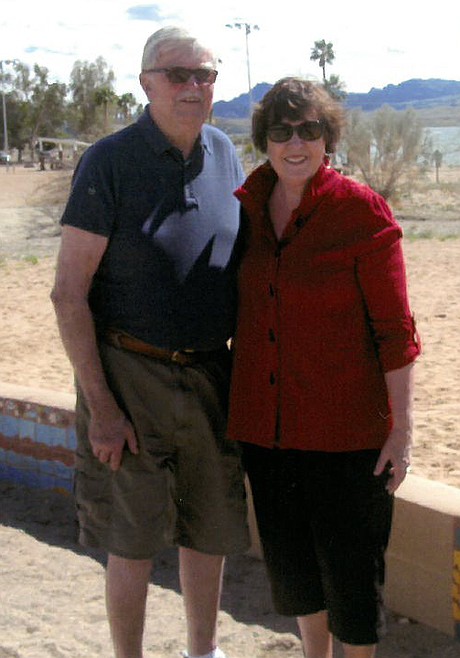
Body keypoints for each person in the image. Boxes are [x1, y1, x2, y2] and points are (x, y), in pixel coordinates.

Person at [51, 26, 250, 658]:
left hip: (211, 373)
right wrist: (103, 409)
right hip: (129, 377)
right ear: (146, 84)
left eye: (205, 75)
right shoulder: (108, 162)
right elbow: (68, 294)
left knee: (209, 530)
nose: (194, 87)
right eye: (178, 75)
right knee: (131, 540)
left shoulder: (225, 153)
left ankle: (203, 651)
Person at [226, 78, 421, 658]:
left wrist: (402, 430)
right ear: (264, 139)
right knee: (295, 577)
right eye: (281, 131)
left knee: (352, 586)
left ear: (327, 138)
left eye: (309, 130)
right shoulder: (248, 207)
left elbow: (396, 331)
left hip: (347, 437)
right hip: (268, 433)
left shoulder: (360, 210)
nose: (295, 143)